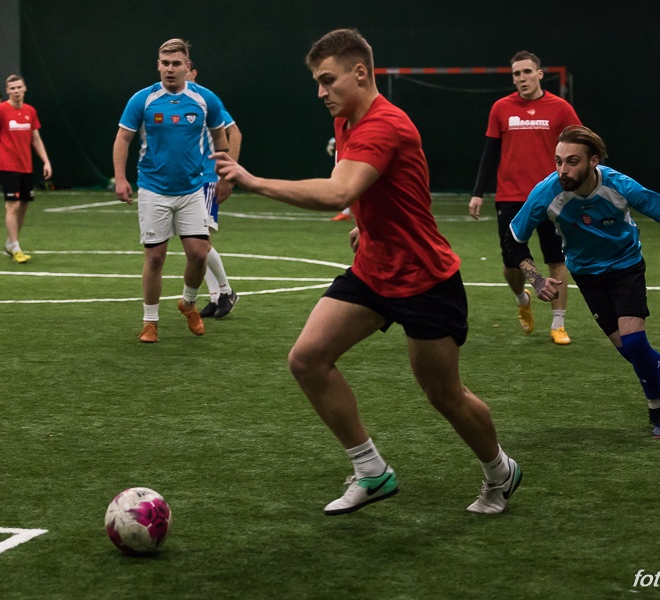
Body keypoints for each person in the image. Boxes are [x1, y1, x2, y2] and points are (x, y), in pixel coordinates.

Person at [215, 28, 521, 515]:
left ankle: (500, 471)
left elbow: (339, 191)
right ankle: (371, 470)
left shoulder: (385, 124)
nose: (321, 92)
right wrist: (366, 224)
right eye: (317, 83)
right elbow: (369, 187)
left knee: (444, 395)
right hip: (374, 271)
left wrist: (254, 181)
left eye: (328, 80)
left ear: (360, 73)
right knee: (307, 359)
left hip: (425, 280)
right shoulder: (346, 120)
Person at [505, 125, 660, 438]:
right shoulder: (546, 192)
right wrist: (535, 279)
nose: (563, 170)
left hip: (626, 266)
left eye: (572, 161)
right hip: (586, 275)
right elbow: (514, 239)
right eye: (558, 161)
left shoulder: (619, 185)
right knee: (630, 351)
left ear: (593, 161)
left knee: (634, 342)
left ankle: (657, 409)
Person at [113, 38, 233, 343]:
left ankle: (188, 303)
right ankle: (150, 322)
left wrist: (225, 176)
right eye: (165, 63)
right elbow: (123, 139)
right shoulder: (143, 99)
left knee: (199, 253)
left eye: (176, 63)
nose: (170, 69)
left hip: (192, 189)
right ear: (158, 65)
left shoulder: (205, 99)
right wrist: (120, 178)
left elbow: (221, 139)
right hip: (153, 189)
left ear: (187, 67)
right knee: (155, 258)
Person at [469, 51, 581, 345]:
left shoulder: (561, 109)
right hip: (510, 197)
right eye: (516, 74)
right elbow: (490, 153)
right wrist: (478, 193)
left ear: (540, 74)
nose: (522, 78)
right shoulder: (501, 108)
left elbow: (580, 146)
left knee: (556, 258)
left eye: (527, 72)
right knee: (511, 264)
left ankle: (558, 324)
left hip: (553, 197)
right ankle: (522, 298)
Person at [185, 64, 242, 319]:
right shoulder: (170, 101)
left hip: (208, 178)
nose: (176, 72)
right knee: (194, 245)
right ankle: (216, 296)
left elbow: (235, 132)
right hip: (188, 181)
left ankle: (226, 292)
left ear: (193, 72)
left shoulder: (205, 98)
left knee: (200, 242)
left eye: (182, 66)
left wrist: (228, 174)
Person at [0, 75, 52, 264]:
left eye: (19, 87)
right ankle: (15, 246)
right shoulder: (0, 110)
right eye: (12, 88)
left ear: (25, 88)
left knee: (23, 206)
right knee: (12, 205)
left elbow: (36, 138)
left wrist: (46, 161)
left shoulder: (30, 111)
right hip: (8, 167)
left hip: (26, 167)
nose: (16, 91)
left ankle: (9, 243)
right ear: (7, 91)